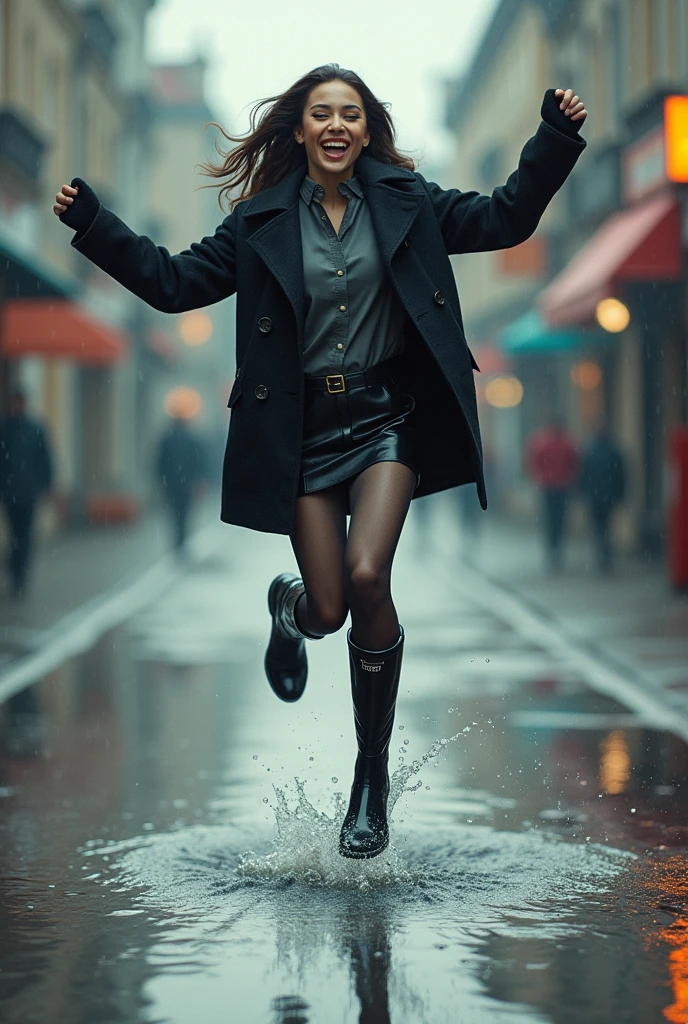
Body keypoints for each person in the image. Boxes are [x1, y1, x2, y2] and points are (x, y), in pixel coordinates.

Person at [54, 65, 587, 858]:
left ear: (367, 130)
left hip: (386, 421)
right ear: (300, 131)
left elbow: (507, 218)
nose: (335, 126)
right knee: (332, 610)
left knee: (371, 576)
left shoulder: (410, 203)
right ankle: (290, 609)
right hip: (301, 433)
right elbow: (169, 284)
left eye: (350, 114)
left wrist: (554, 137)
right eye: (320, 114)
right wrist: (95, 223)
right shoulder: (258, 222)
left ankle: (369, 782)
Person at [0, 389, 53, 597]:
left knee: (25, 535)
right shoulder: (5, 429)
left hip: (28, 492)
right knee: (14, 534)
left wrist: (45, 485)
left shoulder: (35, 429)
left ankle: (21, 575)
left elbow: (45, 459)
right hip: (10, 492)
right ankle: (14, 568)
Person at [525, 417, 580, 572]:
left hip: (549, 487)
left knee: (550, 520)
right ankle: (556, 549)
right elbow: (574, 462)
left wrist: (540, 477)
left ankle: (552, 549)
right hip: (560, 487)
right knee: (559, 520)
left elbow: (534, 461)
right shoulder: (566, 442)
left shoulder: (543, 442)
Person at [155, 416, 208, 555]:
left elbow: (159, 463)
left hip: (174, 484)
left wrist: (161, 481)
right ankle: (181, 541)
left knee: (176, 514)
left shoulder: (167, 440)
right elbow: (200, 462)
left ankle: (179, 541)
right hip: (185, 484)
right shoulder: (191, 441)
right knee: (183, 514)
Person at [579, 424, 627, 573]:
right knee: (606, 525)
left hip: (596, 496)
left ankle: (602, 553)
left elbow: (584, 474)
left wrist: (583, 491)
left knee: (599, 526)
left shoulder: (590, 450)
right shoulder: (613, 450)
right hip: (608, 495)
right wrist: (620, 493)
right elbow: (621, 474)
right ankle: (605, 554)